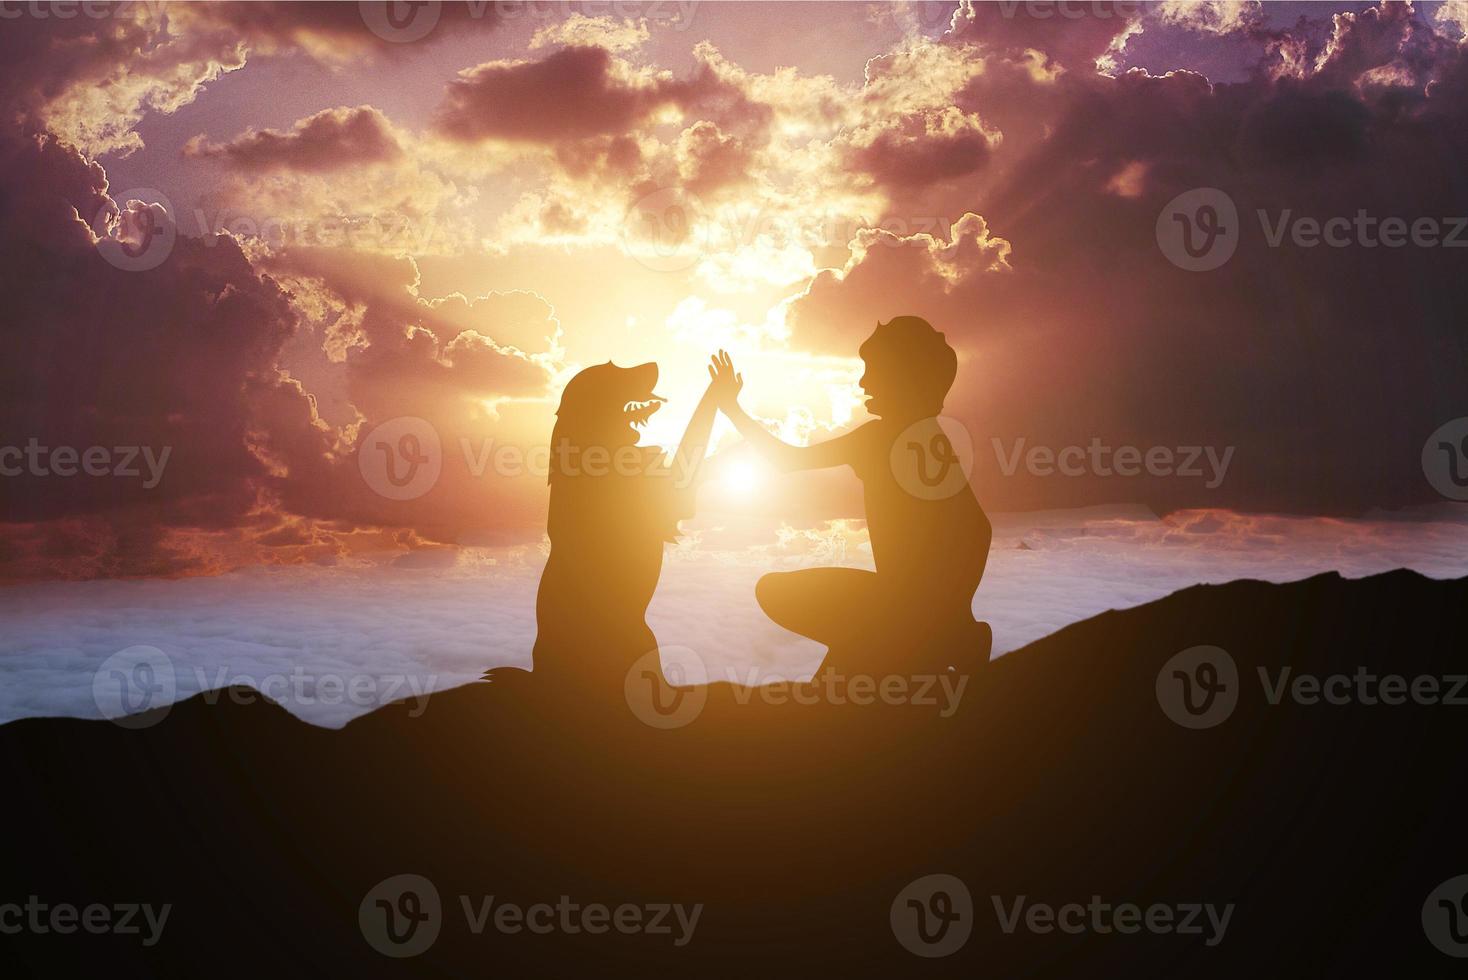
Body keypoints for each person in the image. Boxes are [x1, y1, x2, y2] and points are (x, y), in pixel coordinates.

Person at [706, 317, 992, 677]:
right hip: (917, 607)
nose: (863, 382)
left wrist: (731, 408)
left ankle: (909, 647)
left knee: (774, 592)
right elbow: (980, 529)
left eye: (875, 371)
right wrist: (957, 609)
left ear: (903, 376)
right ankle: (936, 641)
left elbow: (786, 460)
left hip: (901, 611)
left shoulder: (877, 439)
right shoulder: (935, 439)